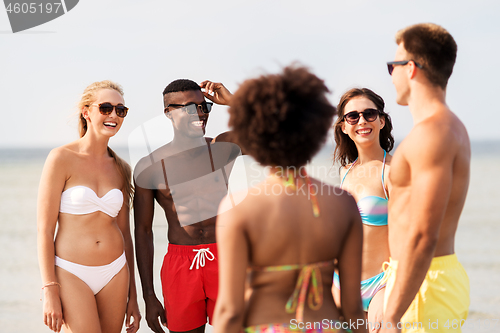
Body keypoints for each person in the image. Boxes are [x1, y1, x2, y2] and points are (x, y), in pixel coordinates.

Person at [213, 66, 367, 333]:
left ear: (253, 136)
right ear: (314, 132)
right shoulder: (343, 204)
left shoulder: (238, 209)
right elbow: (353, 308)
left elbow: (230, 310)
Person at [381, 23, 470, 333]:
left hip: (422, 287)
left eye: (393, 65)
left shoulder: (433, 133)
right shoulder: (446, 128)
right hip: (422, 281)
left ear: (411, 69)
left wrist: (392, 314)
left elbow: (423, 235)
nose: (390, 74)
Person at [133, 79, 240, 333]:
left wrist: (234, 102)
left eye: (204, 107)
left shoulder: (222, 148)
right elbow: (143, 232)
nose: (200, 114)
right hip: (180, 265)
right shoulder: (149, 166)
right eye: (189, 108)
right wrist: (148, 296)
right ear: (168, 113)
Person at [37, 80, 141, 333]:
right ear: (86, 111)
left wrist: (134, 298)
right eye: (105, 108)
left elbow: (126, 235)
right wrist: (49, 288)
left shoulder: (121, 169)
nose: (113, 115)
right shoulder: (61, 158)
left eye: (120, 110)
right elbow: (44, 229)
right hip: (71, 272)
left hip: (116, 271)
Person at [332, 88, 394, 328]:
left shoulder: (392, 171)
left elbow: (410, 237)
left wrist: (390, 287)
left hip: (381, 286)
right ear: (344, 127)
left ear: (381, 121)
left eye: (369, 114)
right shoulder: (345, 172)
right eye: (352, 116)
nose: (362, 121)